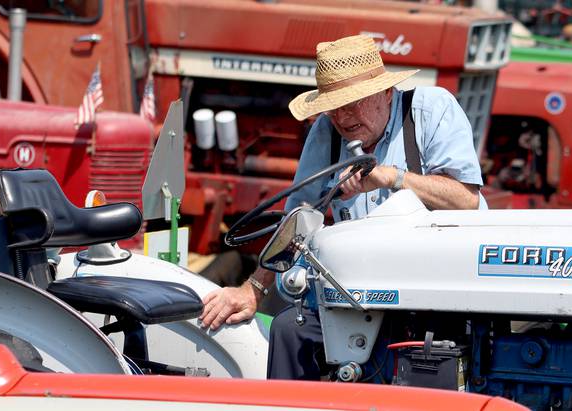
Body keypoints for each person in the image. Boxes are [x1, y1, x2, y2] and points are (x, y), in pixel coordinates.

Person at [199, 34, 486, 379]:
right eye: (333, 106)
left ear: (385, 92)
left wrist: (388, 177)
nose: (341, 116)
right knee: (291, 330)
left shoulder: (430, 110)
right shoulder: (327, 132)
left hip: (438, 291)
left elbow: (465, 200)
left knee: (429, 357)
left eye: (352, 103)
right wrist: (253, 291)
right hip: (364, 296)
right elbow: (298, 220)